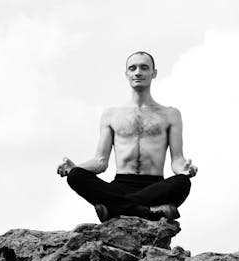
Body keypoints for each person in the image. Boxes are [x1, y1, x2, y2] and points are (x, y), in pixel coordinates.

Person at [57, 51, 198, 222]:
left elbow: (177, 159)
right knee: (76, 176)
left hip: (155, 187)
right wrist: (76, 168)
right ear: (127, 74)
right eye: (133, 68)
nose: (138, 72)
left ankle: (114, 208)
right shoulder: (111, 114)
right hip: (119, 186)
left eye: (144, 68)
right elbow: (100, 161)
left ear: (153, 73)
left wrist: (184, 170)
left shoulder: (170, 114)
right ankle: (145, 211)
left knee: (182, 182)